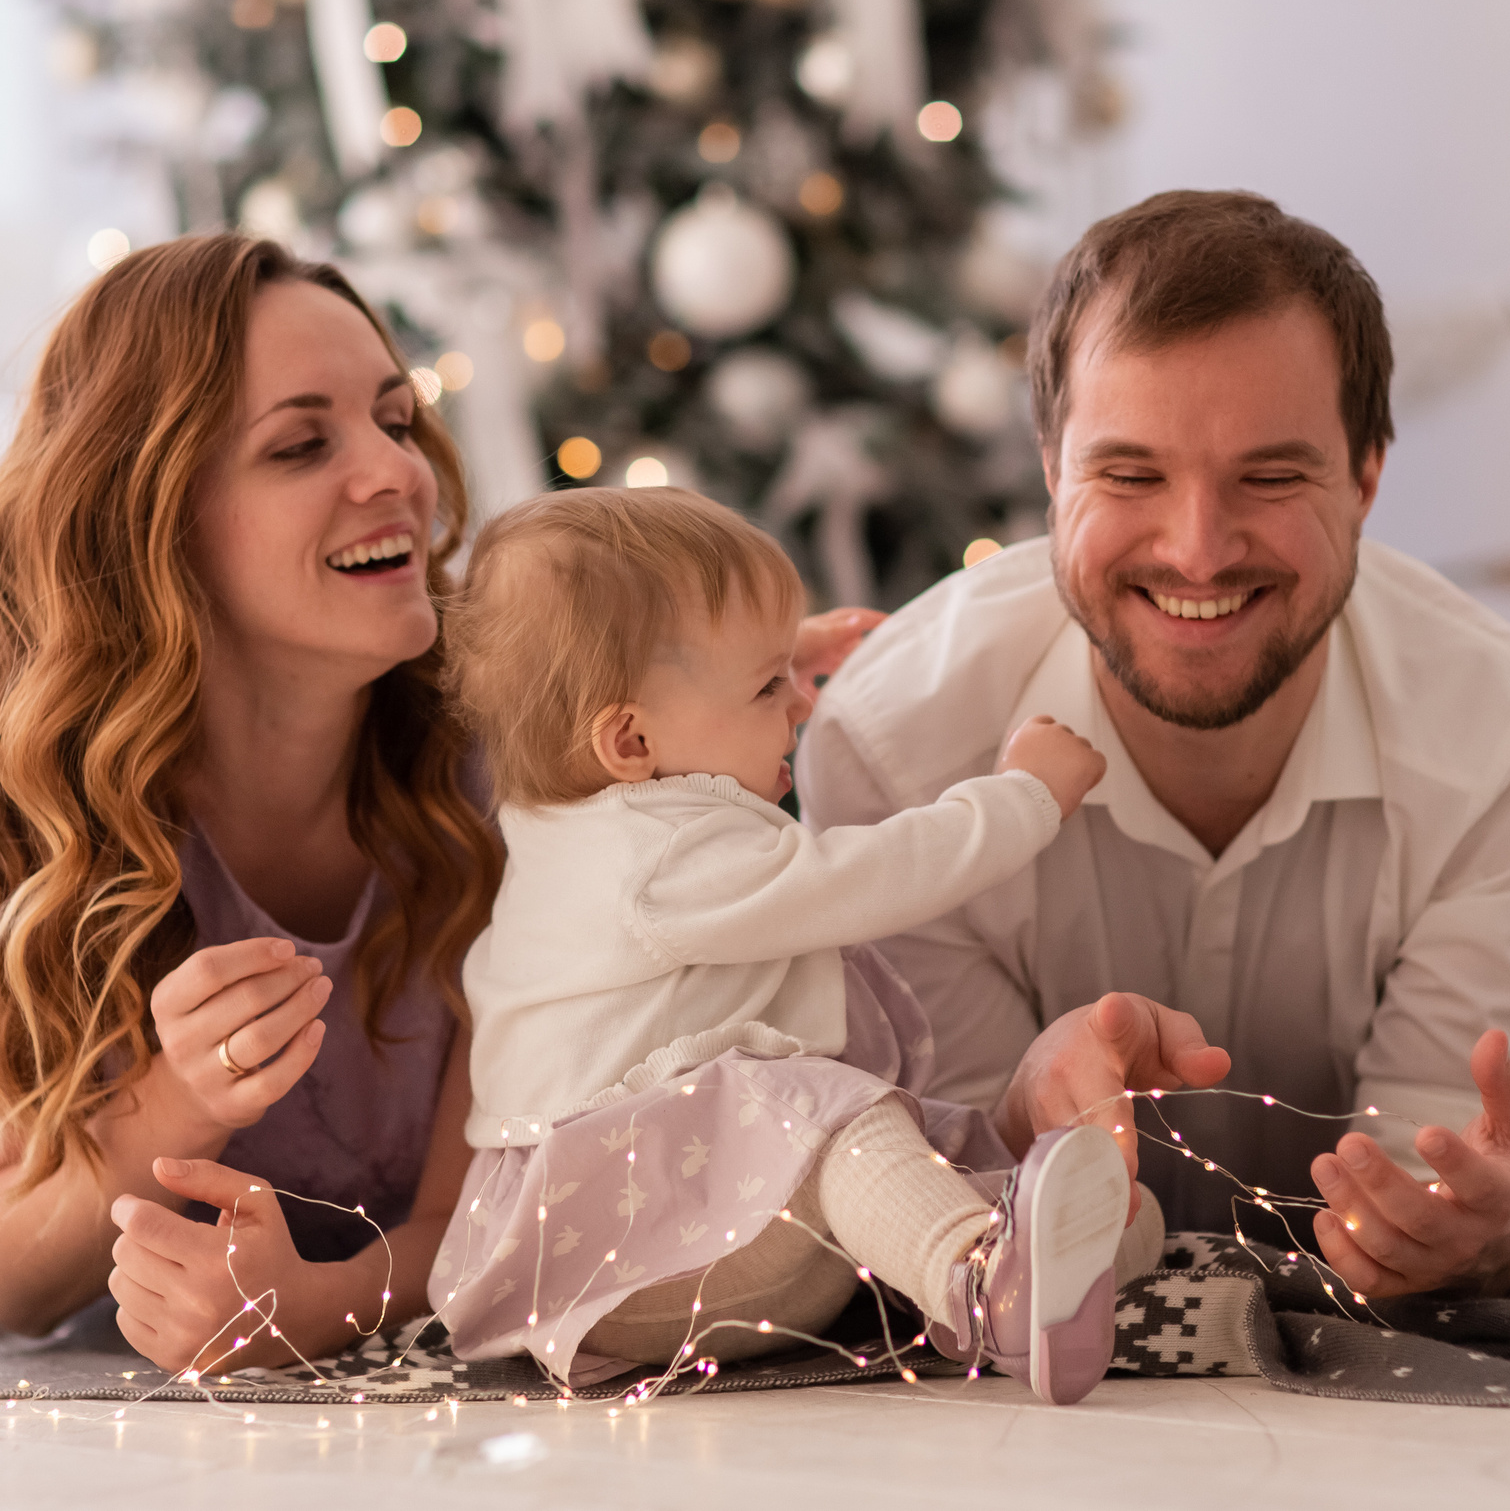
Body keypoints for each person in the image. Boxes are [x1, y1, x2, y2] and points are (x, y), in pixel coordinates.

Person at [0, 235, 887, 1372]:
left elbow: (494, 1208)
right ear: (148, 515)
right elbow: (2, 1272)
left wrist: (320, 1306)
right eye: (302, 445)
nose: (396, 473)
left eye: (396, 421)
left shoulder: (498, 772)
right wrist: (176, 1101)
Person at [798, 190, 1510, 1300]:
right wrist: (1010, 1107)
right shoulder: (894, 757)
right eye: (1128, 476)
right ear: (1051, 469)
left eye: (1270, 478)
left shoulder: (1506, 742)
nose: (1196, 551)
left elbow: (1446, 1192)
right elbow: (967, 1217)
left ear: (1368, 476)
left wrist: (1479, 1229)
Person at [427, 487, 1157, 1405]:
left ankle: (1062, 1251)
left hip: (660, 1227)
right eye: (770, 686)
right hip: (618, 1251)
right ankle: (986, 1284)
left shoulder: (578, 804)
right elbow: (874, 873)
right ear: (631, 737)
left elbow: (632, 688)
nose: (802, 704)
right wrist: (1024, 796)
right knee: (821, 1115)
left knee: (896, 1148)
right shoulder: (664, 855)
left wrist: (758, 658)